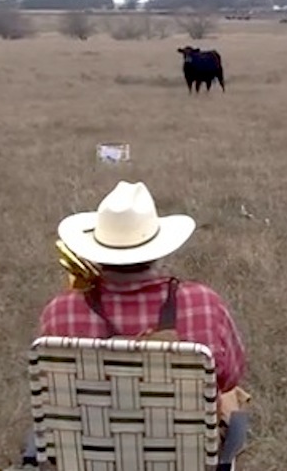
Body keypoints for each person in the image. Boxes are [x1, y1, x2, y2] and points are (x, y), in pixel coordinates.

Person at [19, 181, 249, 470]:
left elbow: (53, 397)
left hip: (88, 457)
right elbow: (230, 378)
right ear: (158, 249)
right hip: (183, 458)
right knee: (230, 398)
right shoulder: (202, 302)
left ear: (97, 250)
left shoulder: (60, 310)